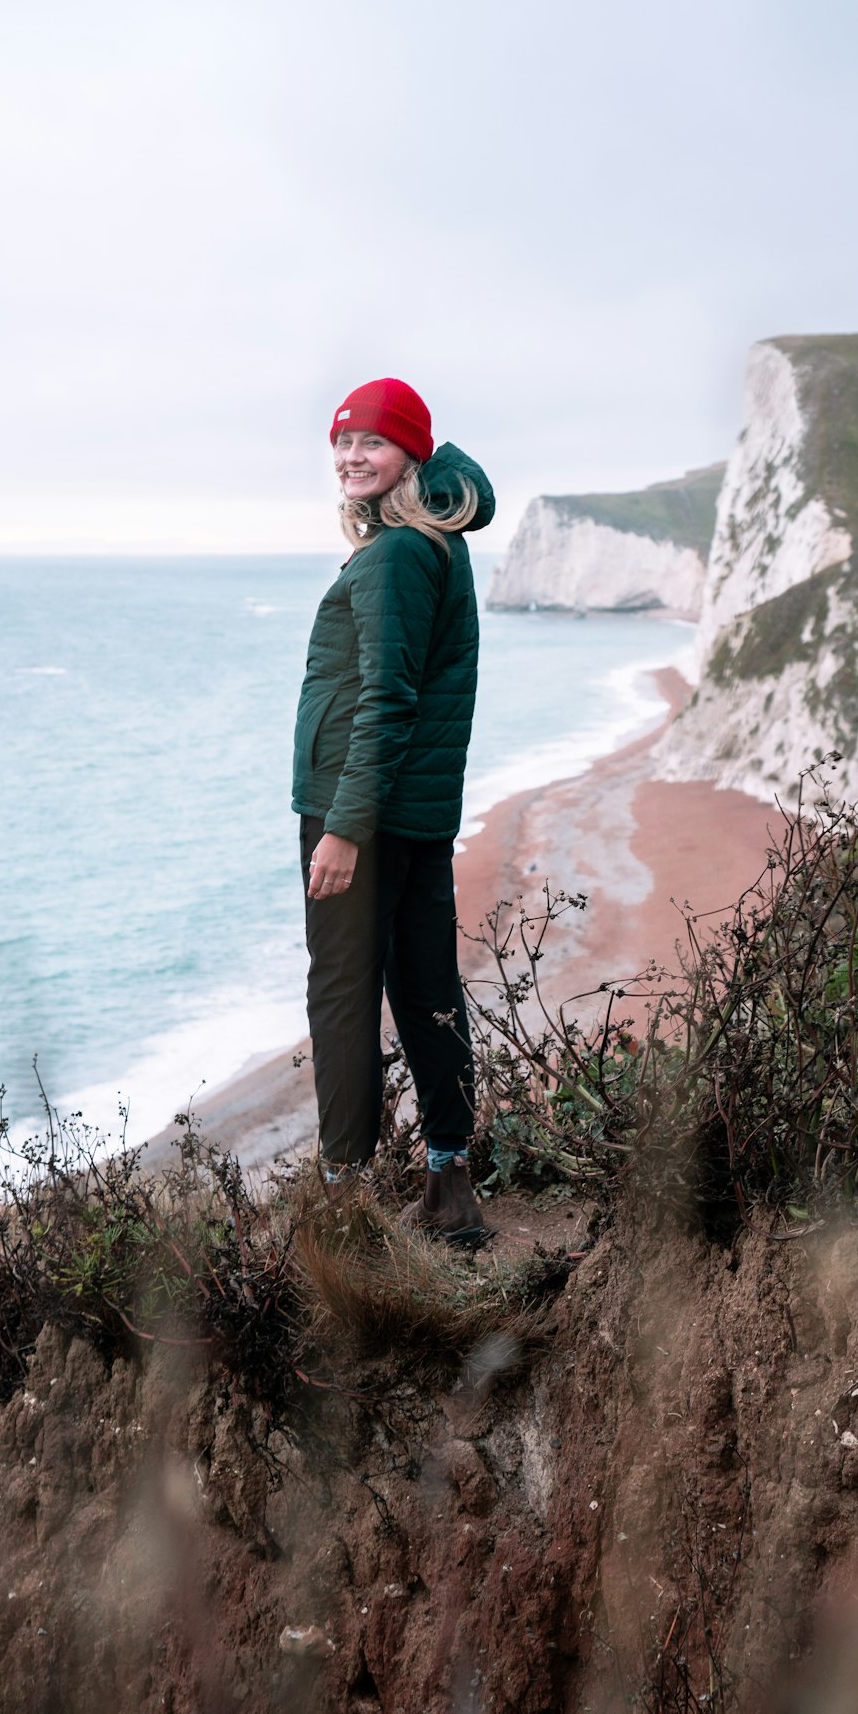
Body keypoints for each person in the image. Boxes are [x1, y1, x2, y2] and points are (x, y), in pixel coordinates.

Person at [292, 377, 495, 1240]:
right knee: (423, 987)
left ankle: (344, 1194)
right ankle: (449, 1186)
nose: (351, 457)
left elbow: (385, 700)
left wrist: (342, 829)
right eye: (342, 443)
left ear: (411, 453)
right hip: (411, 812)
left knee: (341, 993)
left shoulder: (397, 555)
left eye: (371, 443)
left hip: (362, 811)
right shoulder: (425, 544)